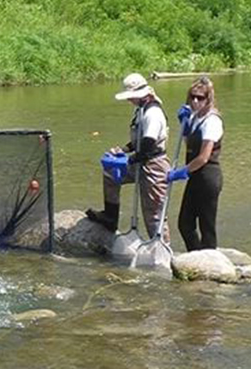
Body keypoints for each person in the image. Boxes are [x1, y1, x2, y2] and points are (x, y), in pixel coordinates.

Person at [86, 73, 171, 241]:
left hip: (154, 165)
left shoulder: (153, 114)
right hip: (140, 160)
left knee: (152, 213)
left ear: (143, 94)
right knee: (110, 174)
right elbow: (138, 140)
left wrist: (128, 160)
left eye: (132, 96)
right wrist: (123, 150)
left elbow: (148, 146)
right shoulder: (141, 110)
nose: (129, 100)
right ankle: (110, 217)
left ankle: (161, 246)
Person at [168, 76, 223, 251]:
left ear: (209, 99)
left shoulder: (212, 121)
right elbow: (189, 145)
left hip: (208, 176)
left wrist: (181, 171)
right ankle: (196, 255)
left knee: (206, 225)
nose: (195, 101)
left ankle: (209, 260)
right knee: (185, 223)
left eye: (200, 97)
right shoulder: (194, 118)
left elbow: (203, 157)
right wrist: (184, 127)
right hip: (195, 175)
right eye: (192, 96)